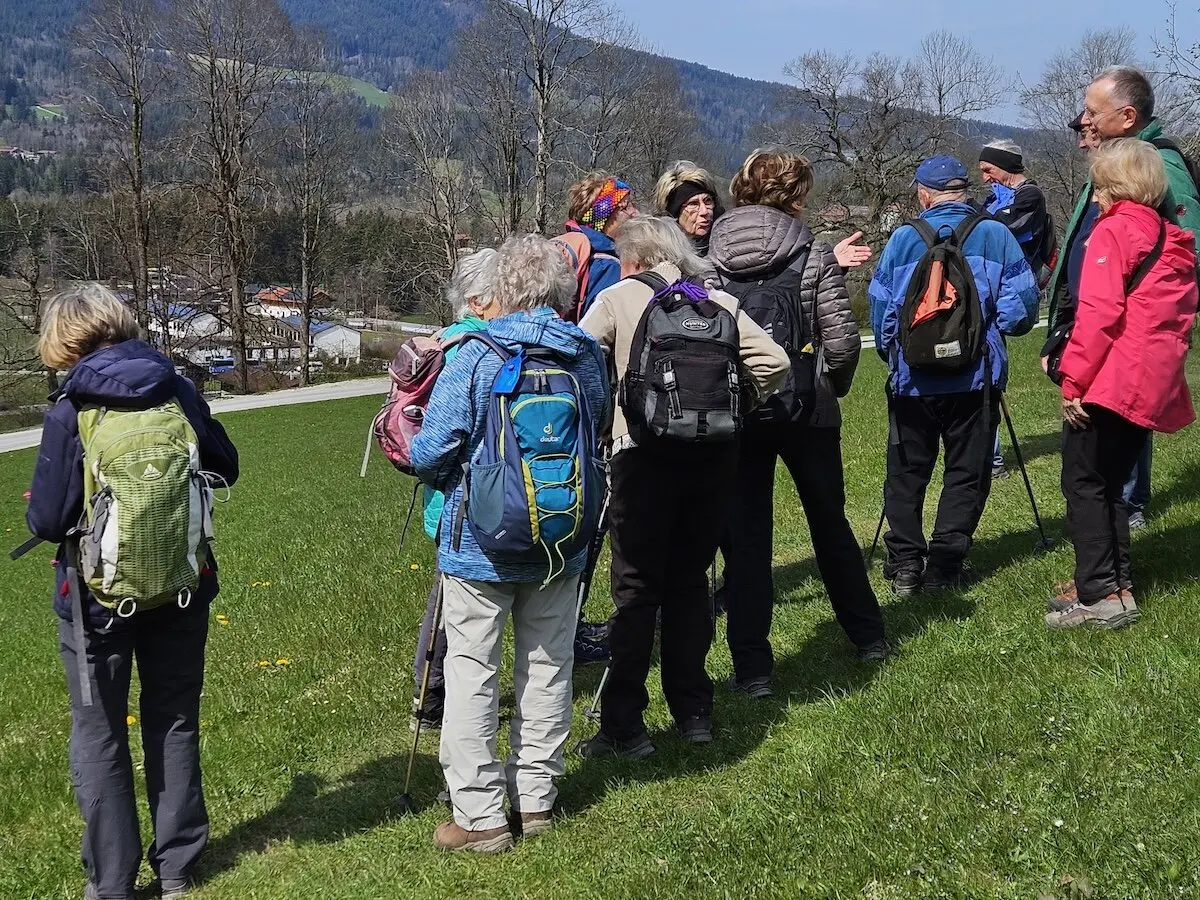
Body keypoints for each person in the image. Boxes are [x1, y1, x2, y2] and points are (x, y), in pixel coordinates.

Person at [25, 284, 239, 900]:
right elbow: (225, 465)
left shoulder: (72, 407)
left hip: (95, 603)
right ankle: (177, 868)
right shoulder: (177, 388)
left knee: (99, 732)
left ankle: (112, 884)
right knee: (172, 719)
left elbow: (46, 521)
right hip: (181, 586)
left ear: (63, 340)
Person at [410, 234, 610, 853]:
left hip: (480, 540)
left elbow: (430, 451)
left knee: (473, 667)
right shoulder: (583, 356)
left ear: (503, 288)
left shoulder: (475, 355)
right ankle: (537, 799)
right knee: (548, 664)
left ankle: (480, 816)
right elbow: (596, 430)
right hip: (561, 535)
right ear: (564, 289)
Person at [575, 216, 788, 756]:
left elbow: (577, 355)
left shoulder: (621, 297)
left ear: (636, 258)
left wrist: (609, 413)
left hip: (641, 457)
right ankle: (694, 712)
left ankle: (625, 724)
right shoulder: (716, 299)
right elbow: (775, 362)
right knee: (691, 582)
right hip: (712, 457)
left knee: (637, 587)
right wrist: (737, 409)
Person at [707, 148, 890, 700]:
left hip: (738, 411)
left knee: (746, 542)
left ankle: (753, 669)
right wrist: (830, 386)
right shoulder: (810, 253)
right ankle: (868, 637)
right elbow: (839, 341)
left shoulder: (710, 259)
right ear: (797, 195)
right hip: (805, 408)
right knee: (829, 525)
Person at [869, 155, 1039, 595]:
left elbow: (882, 312)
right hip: (974, 380)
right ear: (963, 191)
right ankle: (945, 566)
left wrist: (898, 356)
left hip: (914, 382)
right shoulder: (996, 234)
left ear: (923, 194)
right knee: (967, 472)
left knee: (907, 473)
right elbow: (1020, 311)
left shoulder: (904, 239)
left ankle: (905, 564)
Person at [1046, 139, 1196, 629]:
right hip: (1154, 380)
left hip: (1113, 376)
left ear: (1114, 186)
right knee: (1111, 484)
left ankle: (1098, 596)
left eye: (1098, 185)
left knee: (1084, 482)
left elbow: (1100, 314)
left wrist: (1072, 380)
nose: (1093, 196)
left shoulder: (1114, 232)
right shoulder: (1169, 234)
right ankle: (1116, 586)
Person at [1044, 66, 1200, 529]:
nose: (1083, 120)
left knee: (1103, 466)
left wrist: (1149, 329)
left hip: (1125, 340)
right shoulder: (1118, 162)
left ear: (1127, 116)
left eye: (1093, 111)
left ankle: (1115, 541)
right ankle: (1104, 553)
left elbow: (1186, 256)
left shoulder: (1157, 163)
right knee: (1095, 461)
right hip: (1101, 328)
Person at [409, 249, 495, 731]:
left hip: (447, 492)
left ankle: (432, 692)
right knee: (449, 602)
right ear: (478, 299)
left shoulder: (449, 341)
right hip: (463, 495)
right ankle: (433, 695)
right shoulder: (472, 348)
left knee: (446, 594)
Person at [978, 139, 1054, 480]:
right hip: (988, 288)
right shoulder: (993, 199)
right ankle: (987, 454)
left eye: (988, 170)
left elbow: (1003, 230)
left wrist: (981, 224)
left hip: (1011, 290)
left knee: (992, 366)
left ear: (1006, 166)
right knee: (983, 365)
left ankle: (991, 461)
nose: (984, 178)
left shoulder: (1030, 195)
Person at [557, 172, 639, 318]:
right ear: (604, 219)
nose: (635, 213)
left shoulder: (580, 248)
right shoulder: (607, 266)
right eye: (625, 207)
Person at [654, 160, 724, 256]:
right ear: (674, 214)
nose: (704, 212)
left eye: (708, 201)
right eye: (693, 204)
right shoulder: (658, 254)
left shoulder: (725, 245)